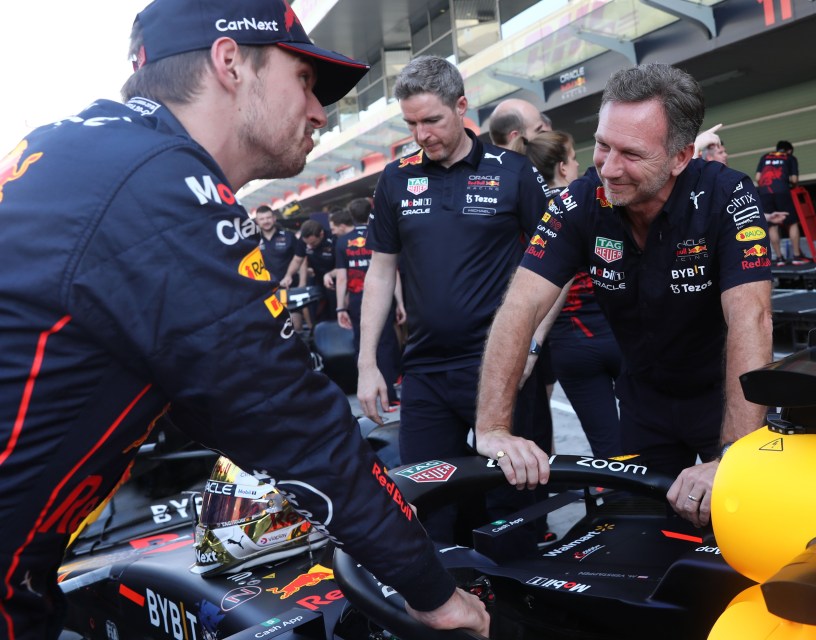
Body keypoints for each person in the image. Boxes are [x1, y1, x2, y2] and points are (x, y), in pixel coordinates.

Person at [0, 0, 489, 636]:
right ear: (231, 62)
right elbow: (296, 424)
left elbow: (214, 402)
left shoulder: (89, 147)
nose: (320, 111)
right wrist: (435, 593)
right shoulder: (158, 182)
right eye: (305, 81)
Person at [473, 63, 774, 529]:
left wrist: (731, 456)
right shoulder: (579, 200)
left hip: (725, 401)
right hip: (642, 403)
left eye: (631, 154)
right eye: (602, 145)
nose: (609, 169)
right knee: (637, 538)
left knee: (738, 537)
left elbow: (751, 319)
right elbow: (520, 305)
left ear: (680, 157)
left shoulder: (727, 195)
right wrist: (493, 429)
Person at [358, 55, 549, 543]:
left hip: (501, 365)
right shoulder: (396, 179)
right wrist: (366, 364)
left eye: (432, 120)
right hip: (424, 373)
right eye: (411, 124)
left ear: (461, 106)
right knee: (428, 507)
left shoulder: (515, 172)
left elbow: (557, 264)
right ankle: (452, 610)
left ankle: (518, 613)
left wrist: (531, 344)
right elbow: (380, 273)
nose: (421, 134)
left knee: (515, 505)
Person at [522, 131, 624, 458]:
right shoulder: (595, 200)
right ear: (564, 168)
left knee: (608, 451)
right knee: (645, 440)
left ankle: (617, 502)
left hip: (571, 347)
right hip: (618, 335)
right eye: (575, 158)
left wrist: (534, 344)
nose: (580, 164)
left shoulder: (526, 212)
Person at [333, 207, 403, 407]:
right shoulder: (380, 232)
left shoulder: (342, 241)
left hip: (357, 299)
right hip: (383, 295)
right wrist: (400, 302)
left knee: (362, 344)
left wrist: (340, 308)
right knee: (386, 343)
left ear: (351, 216)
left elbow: (341, 278)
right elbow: (392, 271)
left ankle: (368, 392)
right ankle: (389, 395)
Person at [756, 140, 807, 265]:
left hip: (765, 192)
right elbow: (794, 179)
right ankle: (796, 256)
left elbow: (757, 178)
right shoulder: (789, 157)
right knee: (792, 223)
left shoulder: (765, 156)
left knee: (772, 225)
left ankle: (779, 258)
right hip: (782, 191)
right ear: (789, 150)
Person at [284, 218, 337, 322]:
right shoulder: (304, 240)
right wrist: (288, 275)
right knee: (318, 313)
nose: (309, 246)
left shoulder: (333, 239)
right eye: (306, 243)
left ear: (321, 234)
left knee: (335, 311)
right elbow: (297, 260)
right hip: (318, 279)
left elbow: (342, 266)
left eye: (312, 243)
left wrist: (330, 275)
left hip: (335, 278)